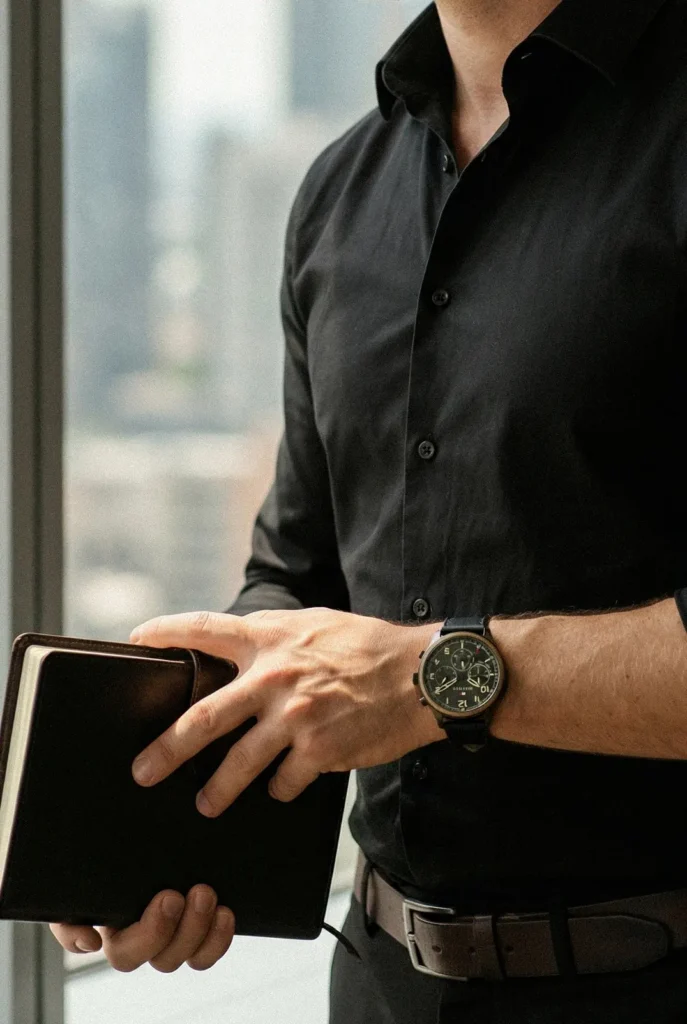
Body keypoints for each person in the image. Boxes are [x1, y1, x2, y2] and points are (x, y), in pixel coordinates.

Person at [51, 0, 687, 1019]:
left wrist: (432, 677)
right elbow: (298, 579)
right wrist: (157, 835)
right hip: (379, 980)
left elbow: (386, 675)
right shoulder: (340, 192)